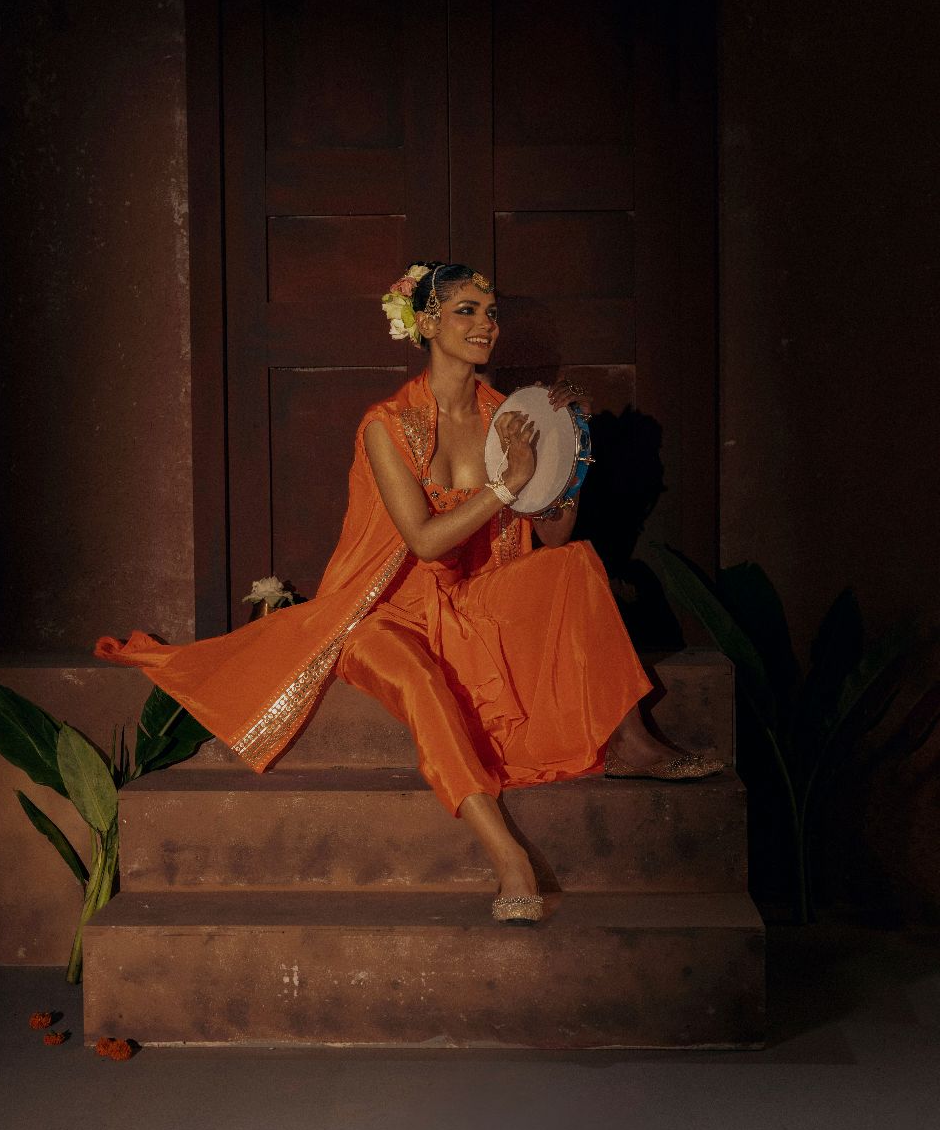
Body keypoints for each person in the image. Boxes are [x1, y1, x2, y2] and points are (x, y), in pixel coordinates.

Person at [95, 260, 722, 926]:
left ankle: (631, 743)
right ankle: (507, 854)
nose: (485, 325)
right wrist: (507, 484)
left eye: (491, 313)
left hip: (471, 600)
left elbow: (554, 537)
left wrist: (570, 452)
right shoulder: (387, 424)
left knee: (578, 566)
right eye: (466, 311)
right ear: (426, 323)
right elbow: (423, 541)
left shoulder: (507, 416)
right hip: (381, 613)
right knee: (419, 682)